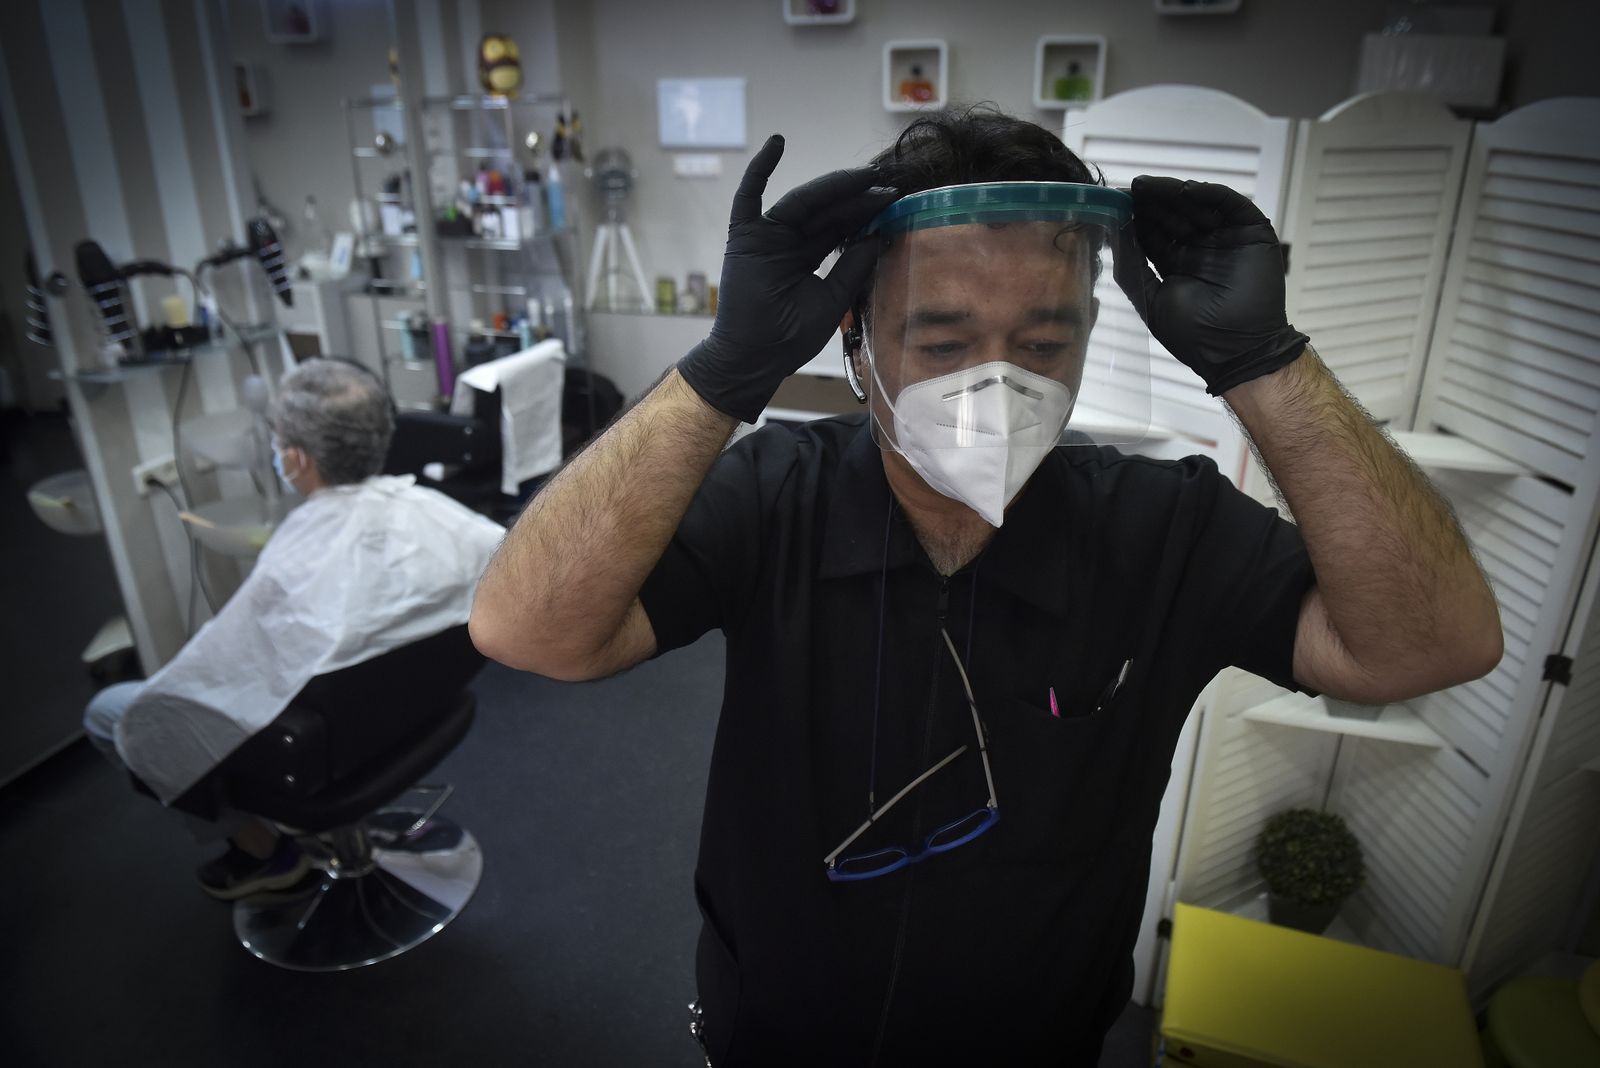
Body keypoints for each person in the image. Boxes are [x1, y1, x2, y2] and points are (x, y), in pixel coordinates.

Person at [470, 106, 1503, 1065]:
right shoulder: (771, 495)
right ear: (857, 340)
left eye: (1045, 343)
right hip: (774, 1033)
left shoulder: (1162, 528)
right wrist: (724, 373)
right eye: (945, 341)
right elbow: (530, 633)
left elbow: (1425, 648)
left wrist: (1264, 364)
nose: (997, 383)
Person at [85, 358, 504, 900]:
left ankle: (261, 850)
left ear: (296, 457)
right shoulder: (447, 519)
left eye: (280, 442)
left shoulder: (301, 555)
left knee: (114, 713)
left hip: (322, 746)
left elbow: (225, 673)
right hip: (420, 713)